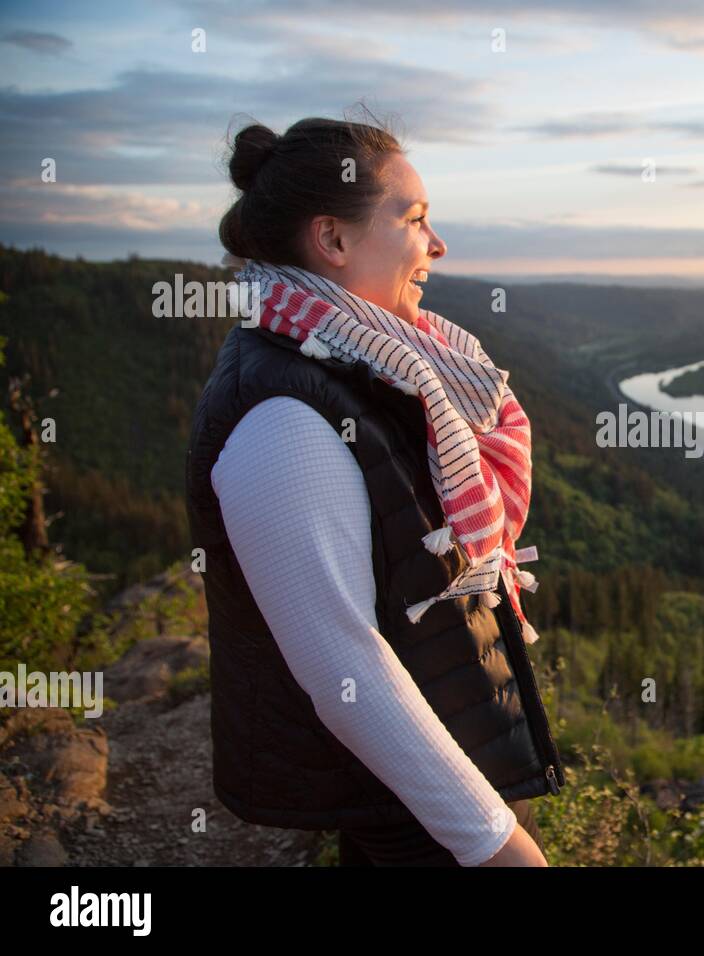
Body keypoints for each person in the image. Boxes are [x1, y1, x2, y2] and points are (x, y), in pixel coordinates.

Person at [185, 111, 564, 867]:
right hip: (410, 799)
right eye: (416, 219)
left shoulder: (359, 363)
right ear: (333, 240)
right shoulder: (284, 414)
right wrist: (495, 843)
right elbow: (344, 663)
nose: (437, 244)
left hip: (421, 782)